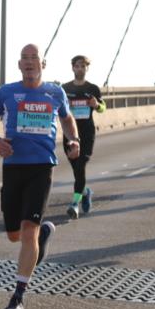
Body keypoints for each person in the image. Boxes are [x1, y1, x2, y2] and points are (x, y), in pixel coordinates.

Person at [0, 43, 80, 309]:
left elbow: (68, 120)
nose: (29, 62)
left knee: (28, 232)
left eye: (34, 57)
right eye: (24, 58)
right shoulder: (7, 92)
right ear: (19, 65)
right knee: (14, 234)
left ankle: (18, 297)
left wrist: (73, 139)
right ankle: (43, 236)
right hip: (13, 167)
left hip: (42, 167)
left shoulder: (55, 92)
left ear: (43, 64)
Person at [61, 55, 106, 218]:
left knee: (80, 166)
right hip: (70, 134)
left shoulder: (93, 88)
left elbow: (103, 108)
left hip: (87, 133)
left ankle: (74, 204)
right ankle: (85, 192)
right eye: (77, 66)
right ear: (72, 68)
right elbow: (58, 110)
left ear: (87, 68)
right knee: (76, 170)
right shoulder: (64, 88)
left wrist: (96, 105)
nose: (80, 69)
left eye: (83, 66)